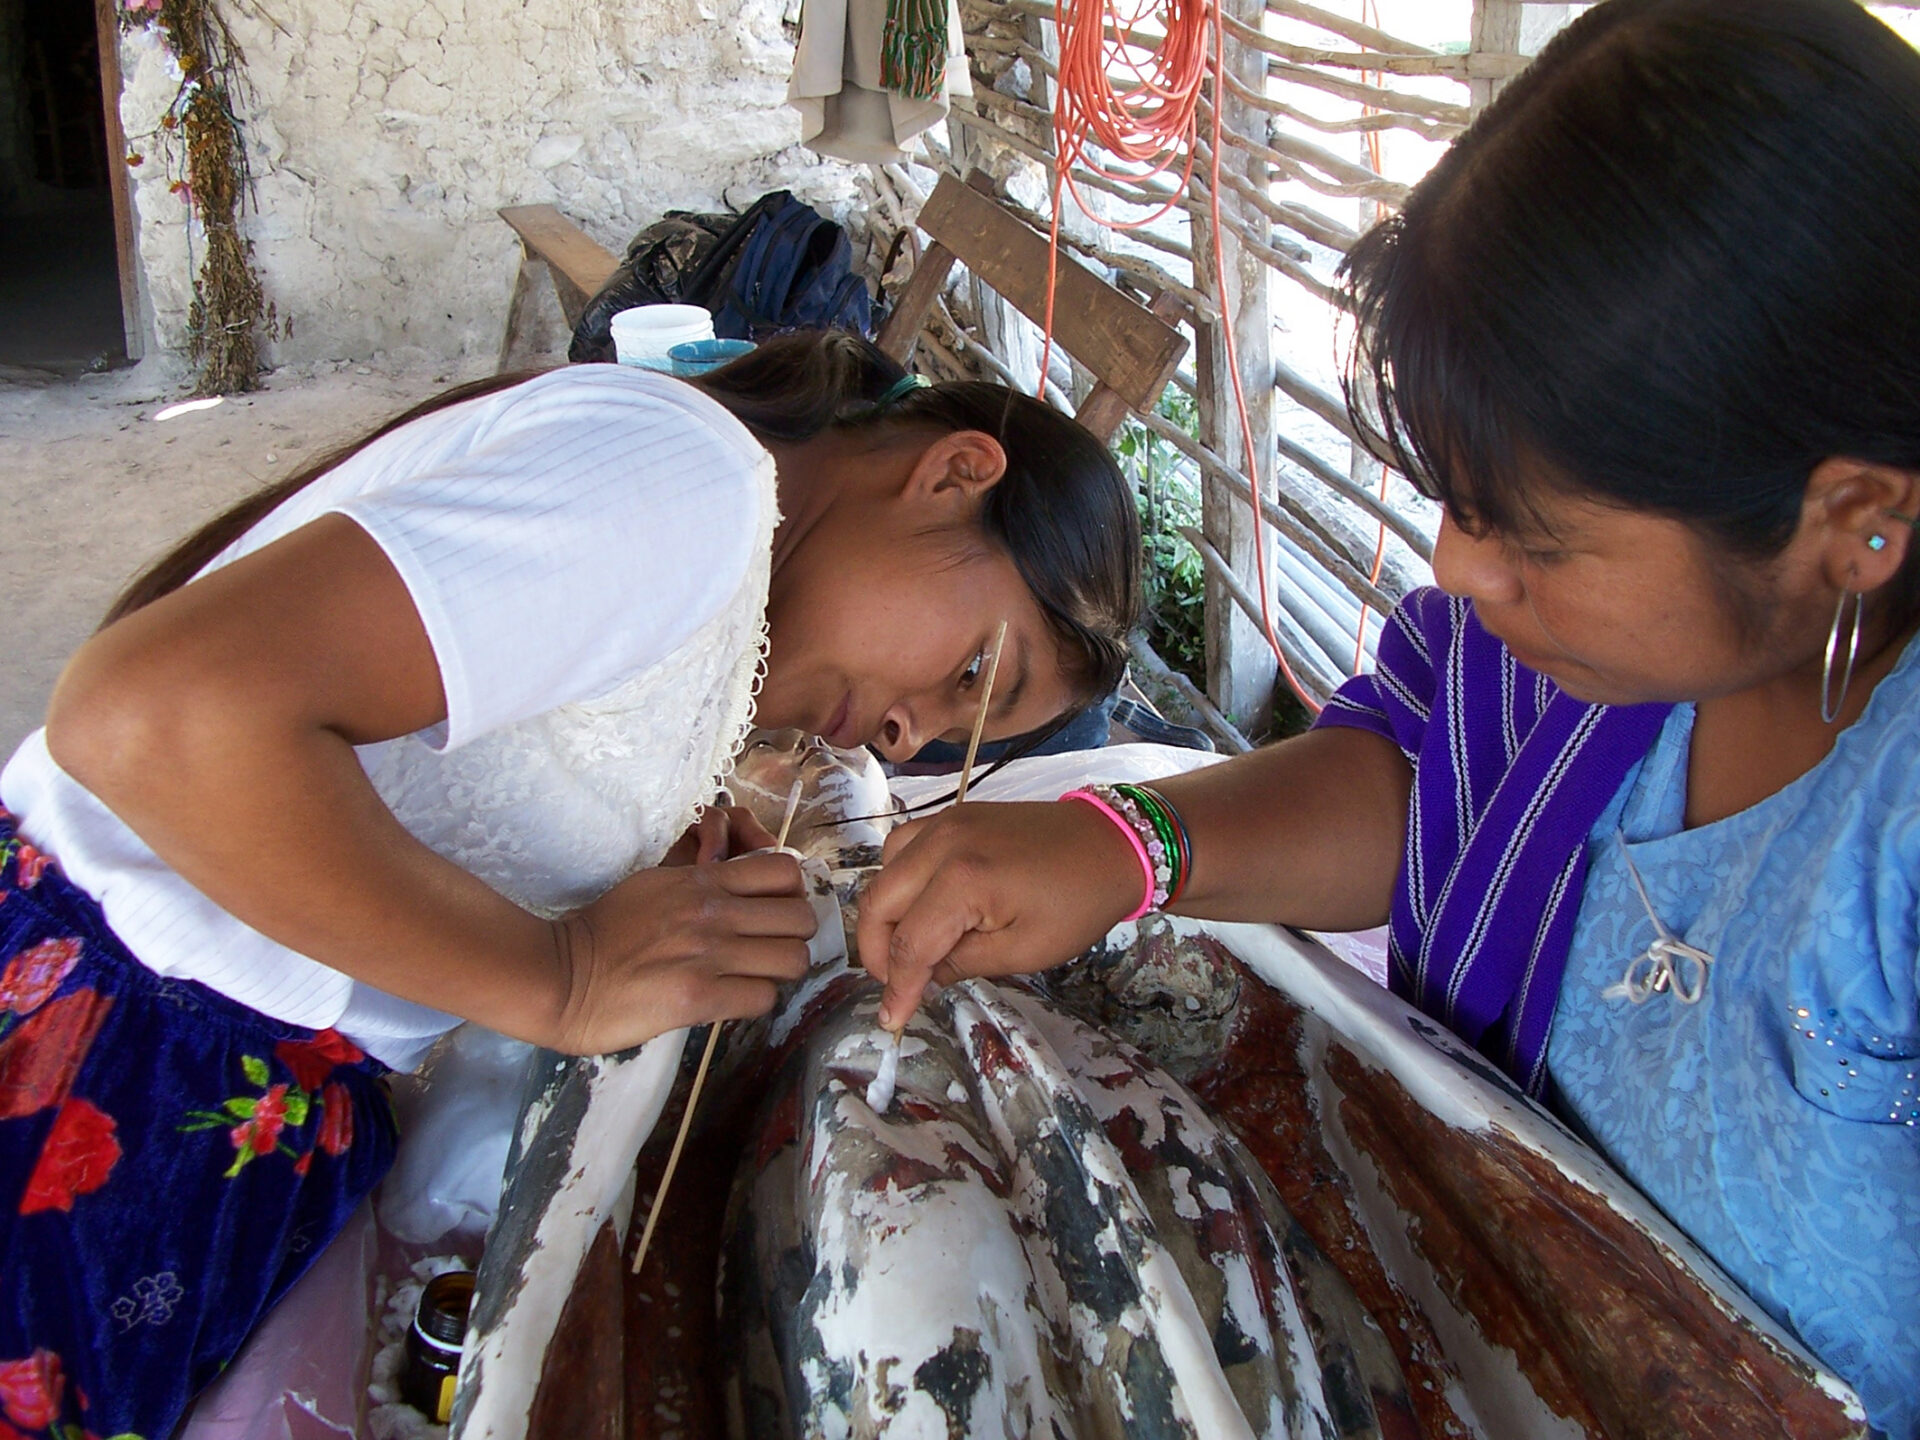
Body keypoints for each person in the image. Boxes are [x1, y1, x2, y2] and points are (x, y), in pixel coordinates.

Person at [858, 1, 1920, 1433]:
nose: (1459, 571)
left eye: (1529, 538)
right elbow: (1420, 782)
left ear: (1850, 520)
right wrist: (1124, 846)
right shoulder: (1580, 653)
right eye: (1463, 507)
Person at [0, 330, 1141, 1435]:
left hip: (234, 1093)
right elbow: (151, 716)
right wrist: (564, 976)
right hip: (106, 1062)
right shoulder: (692, 490)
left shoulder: (720, 565)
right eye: (974, 674)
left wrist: (668, 828)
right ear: (953, 473)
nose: (905, 736)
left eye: (945, 738)